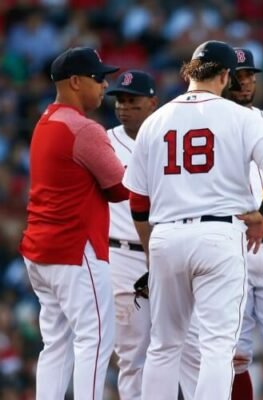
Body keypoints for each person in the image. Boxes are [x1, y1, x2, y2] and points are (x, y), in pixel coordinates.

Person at [123, 40, 263, 400]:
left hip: (166, 235)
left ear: (190, 72)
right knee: (216, 346)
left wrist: (152, 248)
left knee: (164, 344)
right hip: (218, 235)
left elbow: (137, 200)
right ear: (226, 75)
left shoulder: (156, 120)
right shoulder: (239, 116)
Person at [177, 47, 263, 400]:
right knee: (231, 355)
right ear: (222, 76)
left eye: (251, 74)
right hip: (225, 245)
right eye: (240, 74)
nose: (248, 80)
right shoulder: (200, 120)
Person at [19, 47, 129, 400]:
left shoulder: (45, 122)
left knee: (56, 343)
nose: (104, 86)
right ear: (76, 82)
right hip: (74, 249)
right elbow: (120, 188)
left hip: (40, 249)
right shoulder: (84, 129)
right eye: (99, 79)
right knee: (95, 338)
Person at [103, 70, 159, 400]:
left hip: (168, 251)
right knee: (133, 354)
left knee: (183, 348)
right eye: (119, 100)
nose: (123, 106)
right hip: (123, 254)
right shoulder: (105, 141)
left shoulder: (170, 138)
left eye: (132, 100)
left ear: (152, 102)